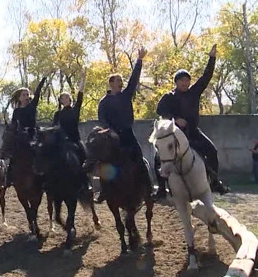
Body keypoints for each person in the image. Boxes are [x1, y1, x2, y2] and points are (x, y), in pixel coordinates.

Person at [155, 43, 230, 194]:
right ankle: (162, 188)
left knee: (212, 151)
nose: (184, 82)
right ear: (176, 82)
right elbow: (159, 110)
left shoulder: (194, 92)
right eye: (181, 80)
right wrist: (175, 119)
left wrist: (212, 58)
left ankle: (215, 181)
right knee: (158, 156)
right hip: (175, 134)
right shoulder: (169, 96)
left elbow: (206, 76)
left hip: (193, 132)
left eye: (186, 80)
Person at [85, 47, 154, 203]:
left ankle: (148, 188)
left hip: (128, 134)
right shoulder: (104, 102)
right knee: (104, 161)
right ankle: (103, 191)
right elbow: (102, 119)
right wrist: (110, 131)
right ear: (111, 84)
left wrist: (139, 60)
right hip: (111, 136)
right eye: (118, 81)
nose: (121, 84)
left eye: (121, 81)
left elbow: (134, 79)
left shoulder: (126, 95)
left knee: (139, 157)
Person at [6, 76, 47, 186]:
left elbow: (37, 93)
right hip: (20, 135)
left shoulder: (32, 106)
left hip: (32, 133)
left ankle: (42, 173)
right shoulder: (16, 111)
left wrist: (43, 80)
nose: (26, 96)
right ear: (19, 98)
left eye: (27, 94)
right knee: (13, 151)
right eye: (23, 95)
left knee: (38, 149)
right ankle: (9, 177)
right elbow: (14, 124)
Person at [52, 72, 87, 164]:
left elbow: (80, 96)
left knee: (85, 156)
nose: (68, 98)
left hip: (75, 139)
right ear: (61, 101)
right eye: (65, 97)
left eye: (68, 97)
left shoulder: (75, 110)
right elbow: (54, 128)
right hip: (62, 141)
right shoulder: (58, 114)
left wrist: (83, 80)